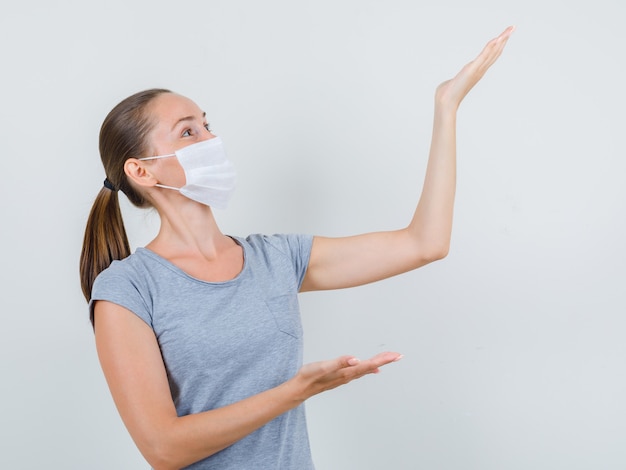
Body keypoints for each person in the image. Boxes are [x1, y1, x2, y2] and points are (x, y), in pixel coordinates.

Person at [80, 26, 514, 470]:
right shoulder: (127, 289)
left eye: (207, 124)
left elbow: (426, 243)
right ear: (142, 171)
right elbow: (163, 449)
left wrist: (446, 107)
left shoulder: (277, 259)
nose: (212, 140)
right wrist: (296, 391)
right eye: (188, 133)